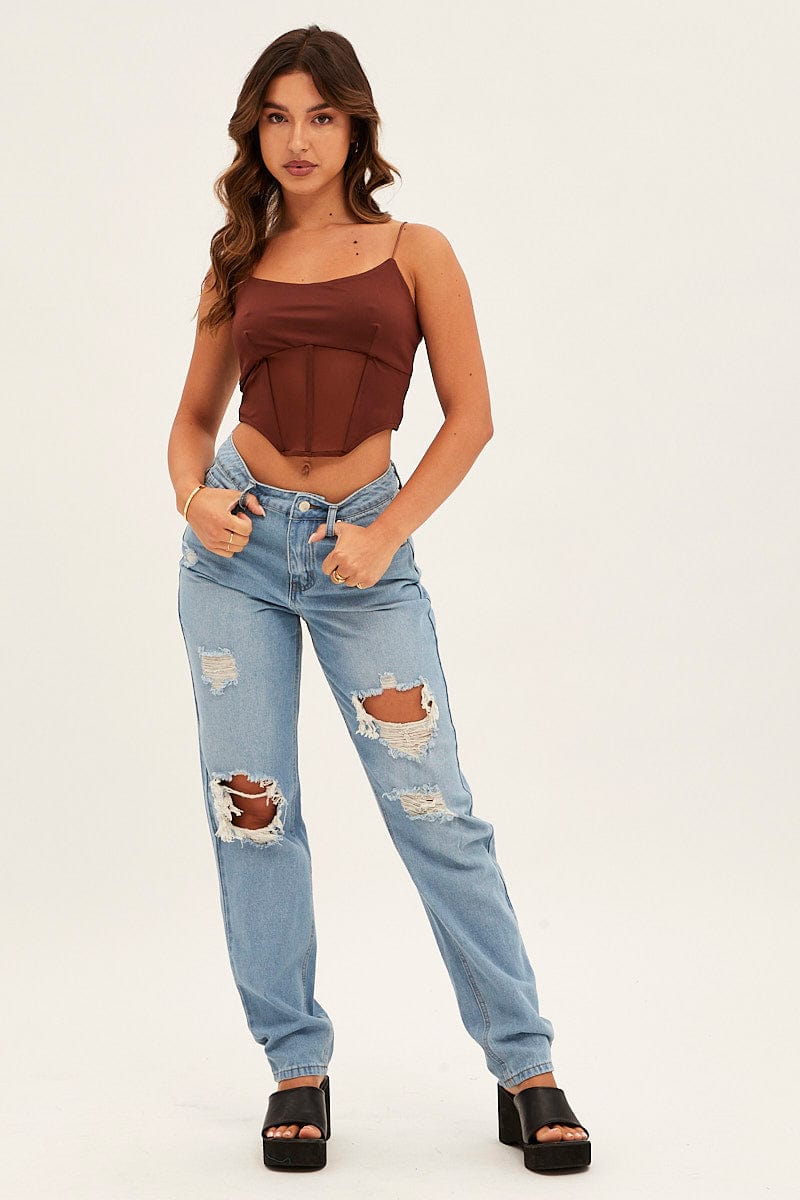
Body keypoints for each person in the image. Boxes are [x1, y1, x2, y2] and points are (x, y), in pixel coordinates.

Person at [168, 24, 591, 1175]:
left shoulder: (414, 250)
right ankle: (293, 1068)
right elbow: (191, 422)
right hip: (236, 552)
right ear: (253, 131)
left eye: (319, 115)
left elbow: (469, 416)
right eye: (275, 116)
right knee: (253, 812)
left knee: (433, 810)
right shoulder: (236, 257)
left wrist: (386, 529)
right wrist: (191, 501)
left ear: (355, 125)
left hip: (364, 550)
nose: (296, 139)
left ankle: (524, 1065)